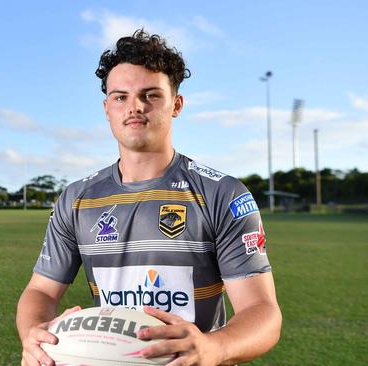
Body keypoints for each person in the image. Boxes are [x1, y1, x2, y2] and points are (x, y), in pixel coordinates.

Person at [16, 29, 282, 366]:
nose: (135, 107)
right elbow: (40, 291)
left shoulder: (222, 194)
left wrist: (212, 348)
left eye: (151, 95)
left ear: (177, 104)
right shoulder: (77, 199)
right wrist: (32, 335)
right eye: (120, 97)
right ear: (106, 108)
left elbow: (262, 312)